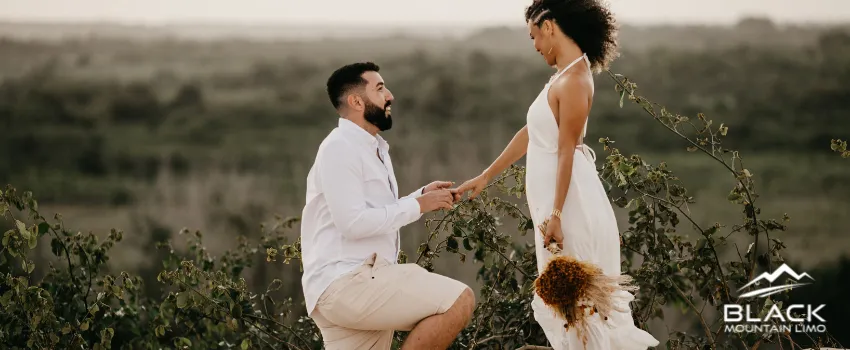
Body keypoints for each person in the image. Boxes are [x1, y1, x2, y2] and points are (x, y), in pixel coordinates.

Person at [453, 0, 660, 349]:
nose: (534, 45)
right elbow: (533, 132)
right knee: (569, 304)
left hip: (570, 207)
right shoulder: (562, 77)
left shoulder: (576, 80)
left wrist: (558, 215)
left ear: (549, 26)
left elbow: (567, 152)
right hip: (556, 205)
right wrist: (486, 176)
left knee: (577, 304)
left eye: (534, 36)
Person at [300, 62, 476, 350]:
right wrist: (418, 206)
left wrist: (419, 196)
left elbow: (371, 212)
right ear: (357, 101)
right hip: (349, 281)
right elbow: (353, 223)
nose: (390, 95)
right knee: (458, 301)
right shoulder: (339, 147)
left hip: (349, 286)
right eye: (380, 89)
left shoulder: (372, 147)